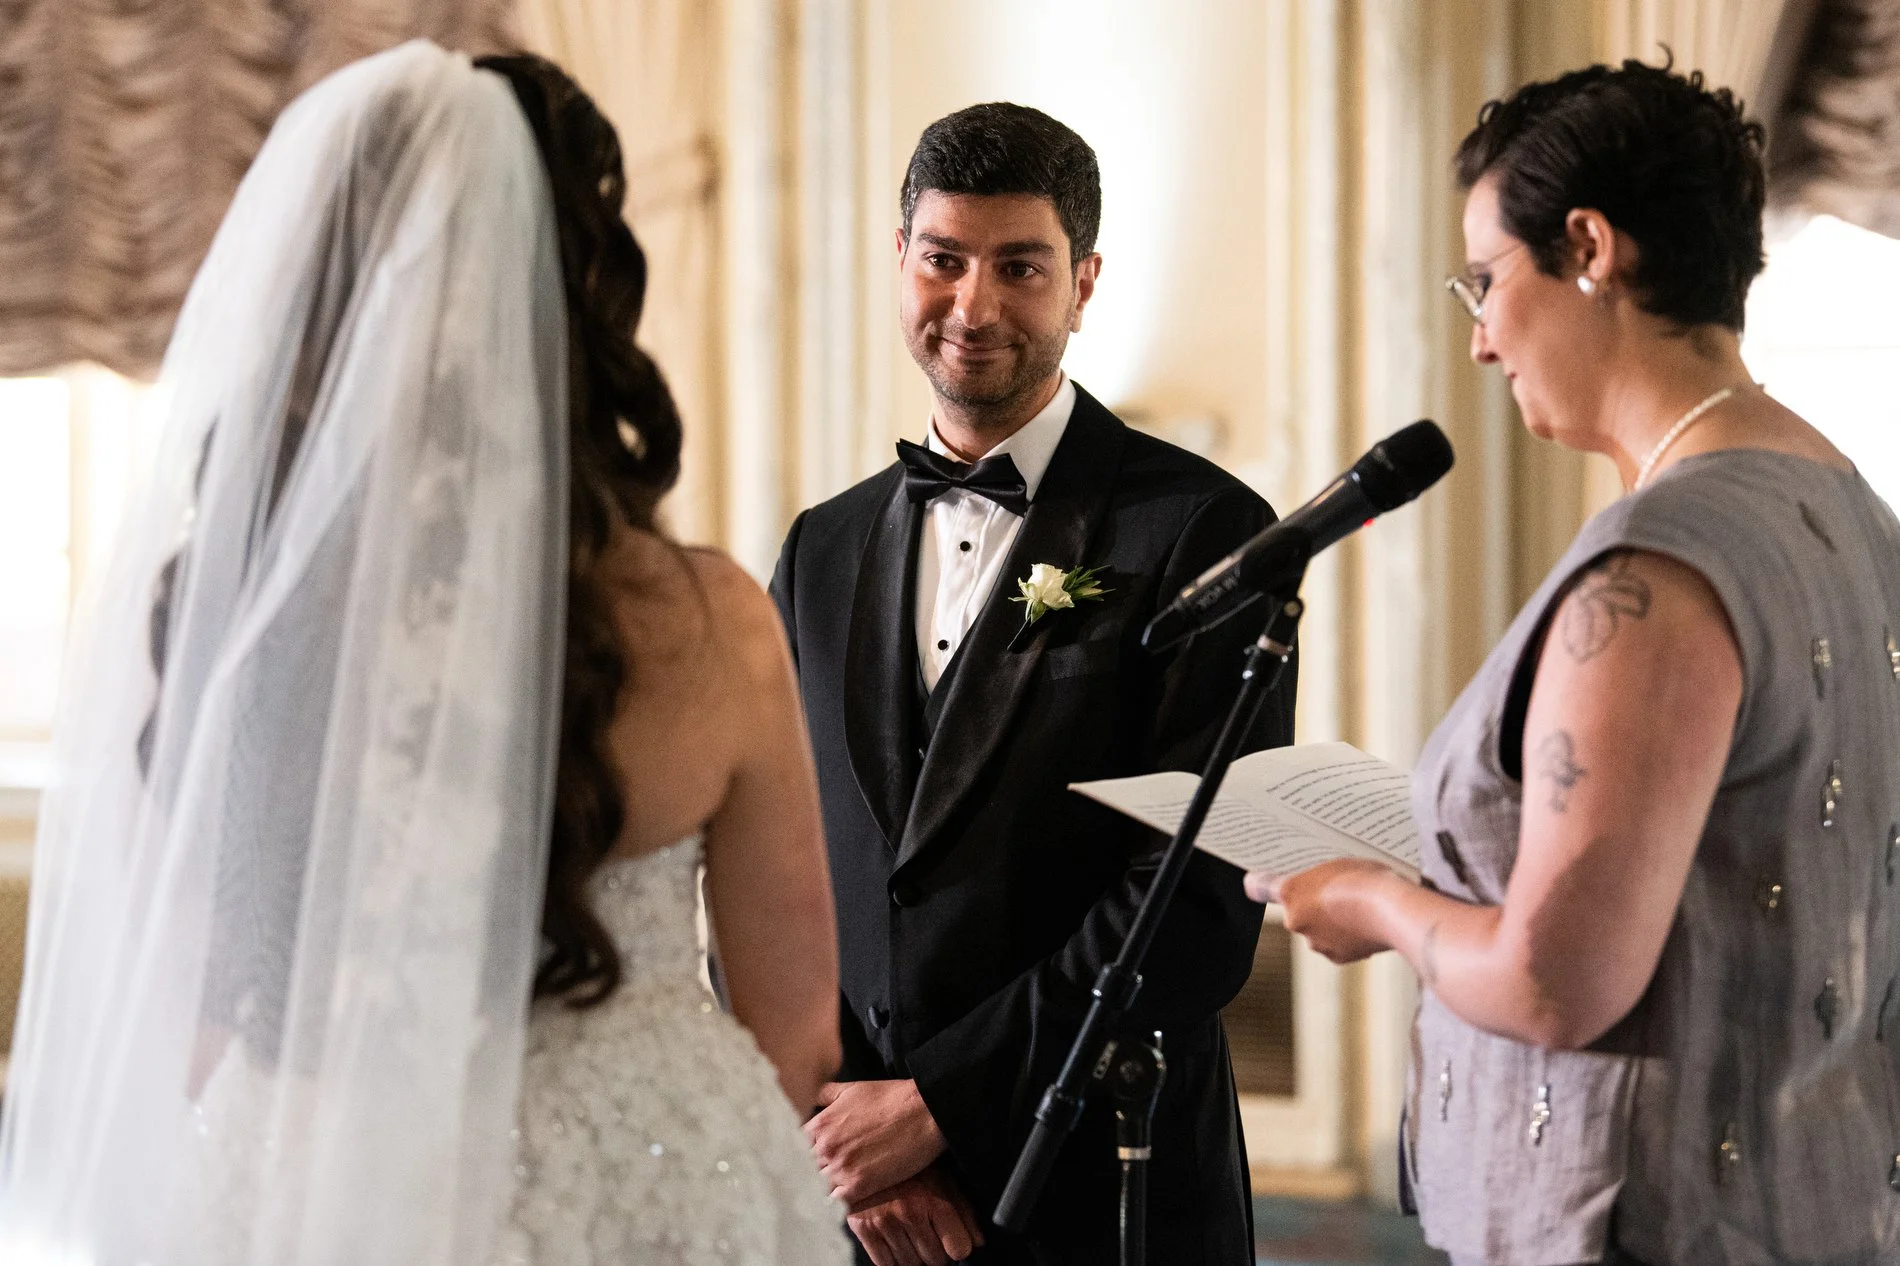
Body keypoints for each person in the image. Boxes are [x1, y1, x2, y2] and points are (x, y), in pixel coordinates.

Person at [0, 41, 849, 1266]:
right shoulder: (706, 622)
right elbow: (797, 1032)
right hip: (649, 1188)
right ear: (586, 288)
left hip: (313, 1172)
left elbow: (174, 1013)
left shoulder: (230, 613)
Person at [1246, 59, 1900, 1266]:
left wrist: (1370, 902)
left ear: (1589, 249)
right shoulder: (1850, 505)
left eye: (1485, 282)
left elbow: (1556, 987)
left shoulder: (1657, 568)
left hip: (1654, 1226)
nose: (1483, 339)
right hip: (1818, 1192)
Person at [770, 102, 1294, 1266]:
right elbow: (774, 866)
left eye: (1020, 267)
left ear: (1084, 281)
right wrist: (851, 1135)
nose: (974, 307)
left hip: (1105, 1184)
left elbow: (1195, 908)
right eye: (942, 261)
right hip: (854, 1194)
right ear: (898, 260)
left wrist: (939, 1108)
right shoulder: (818, 549)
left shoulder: (1206, 531)